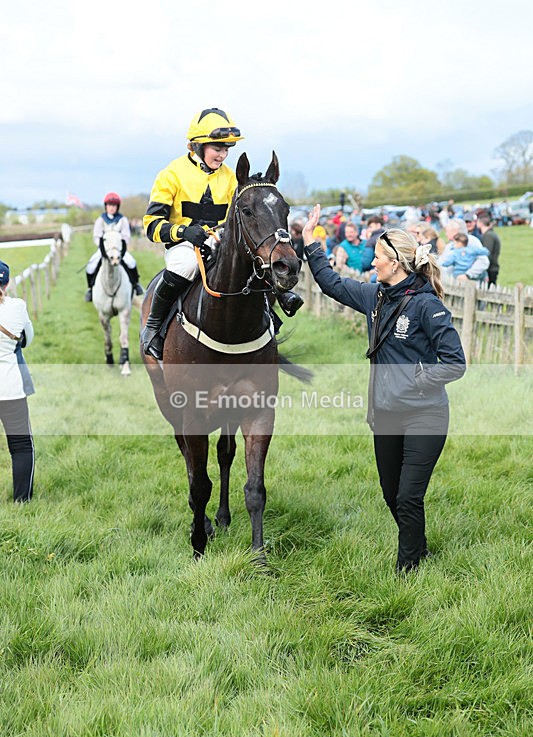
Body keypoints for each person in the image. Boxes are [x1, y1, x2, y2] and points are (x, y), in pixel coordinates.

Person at [302, 204, 466, 573]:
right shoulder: (374, 298)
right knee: (392, 494)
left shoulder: (427, 306)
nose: (372, 263)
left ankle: (407, 570)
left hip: (426, 414)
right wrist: (310, 242)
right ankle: (419, 548)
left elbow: (455, 362)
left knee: (409, 495)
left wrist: (420, 381)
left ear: (395, 263)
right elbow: (330, 282)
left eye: (377, 257)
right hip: (386, 414)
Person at [141, 107, 303, 359]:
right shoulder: (171, 175)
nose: (223, 155)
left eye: (226, 149)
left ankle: (275, 306)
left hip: (221, 241)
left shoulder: (231, 179)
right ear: (198, 146)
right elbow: (152, 225)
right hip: (184, 244)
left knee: (251, 264)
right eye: (218, 148)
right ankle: (153, 327)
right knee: (184, 267)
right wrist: (183, 231)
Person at [0, 261, 35, 502]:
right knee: (21, 446)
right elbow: (28, 339)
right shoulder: (18, 306)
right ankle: (22, 501)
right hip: (10, 387)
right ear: (8, 282)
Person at [84, 193, 143, 302]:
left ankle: (136, 285)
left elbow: (126, 236)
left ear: (117, 207)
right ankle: (90, 289)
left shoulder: (122, 220)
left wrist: (120, 250)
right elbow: (97, 237)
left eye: (114, 205)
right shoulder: (101, 220)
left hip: (119, 250)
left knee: (131, 262)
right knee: (91, 266)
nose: (112, 207)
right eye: (110, 205)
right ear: (106, 206)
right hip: (104, 250)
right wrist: (104, 250)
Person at [438, 218, 489, 282]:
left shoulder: (472, 241)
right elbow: (442, 263)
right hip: (451, 285)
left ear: (455, 231)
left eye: (447, 231)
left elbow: (483, 261)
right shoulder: (450, 245)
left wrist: (467, 275)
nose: (446, 234)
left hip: (470, 284)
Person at [475, 214, 501, 287]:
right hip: (491, 268)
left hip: (490, 269)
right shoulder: (489, 234)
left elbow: (487, 254)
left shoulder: (488, 235)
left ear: (480, 223)